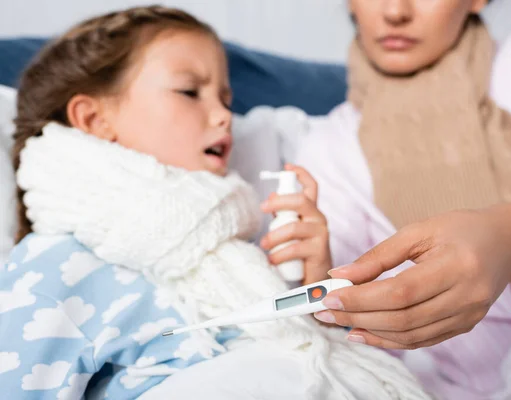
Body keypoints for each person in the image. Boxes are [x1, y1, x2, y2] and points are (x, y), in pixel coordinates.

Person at [0, 6, 430, 399]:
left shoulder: (240, 253)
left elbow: (323, 360)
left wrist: (318, 284)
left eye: (225, 98)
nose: (225, 114)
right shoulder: (54, 266)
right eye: (190, 92)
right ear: (95, 120)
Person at [265, 0, 511, 398]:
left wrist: (510, 242)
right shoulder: (329, 148)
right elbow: (352, 347)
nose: (394, 11)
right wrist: (320, 284)